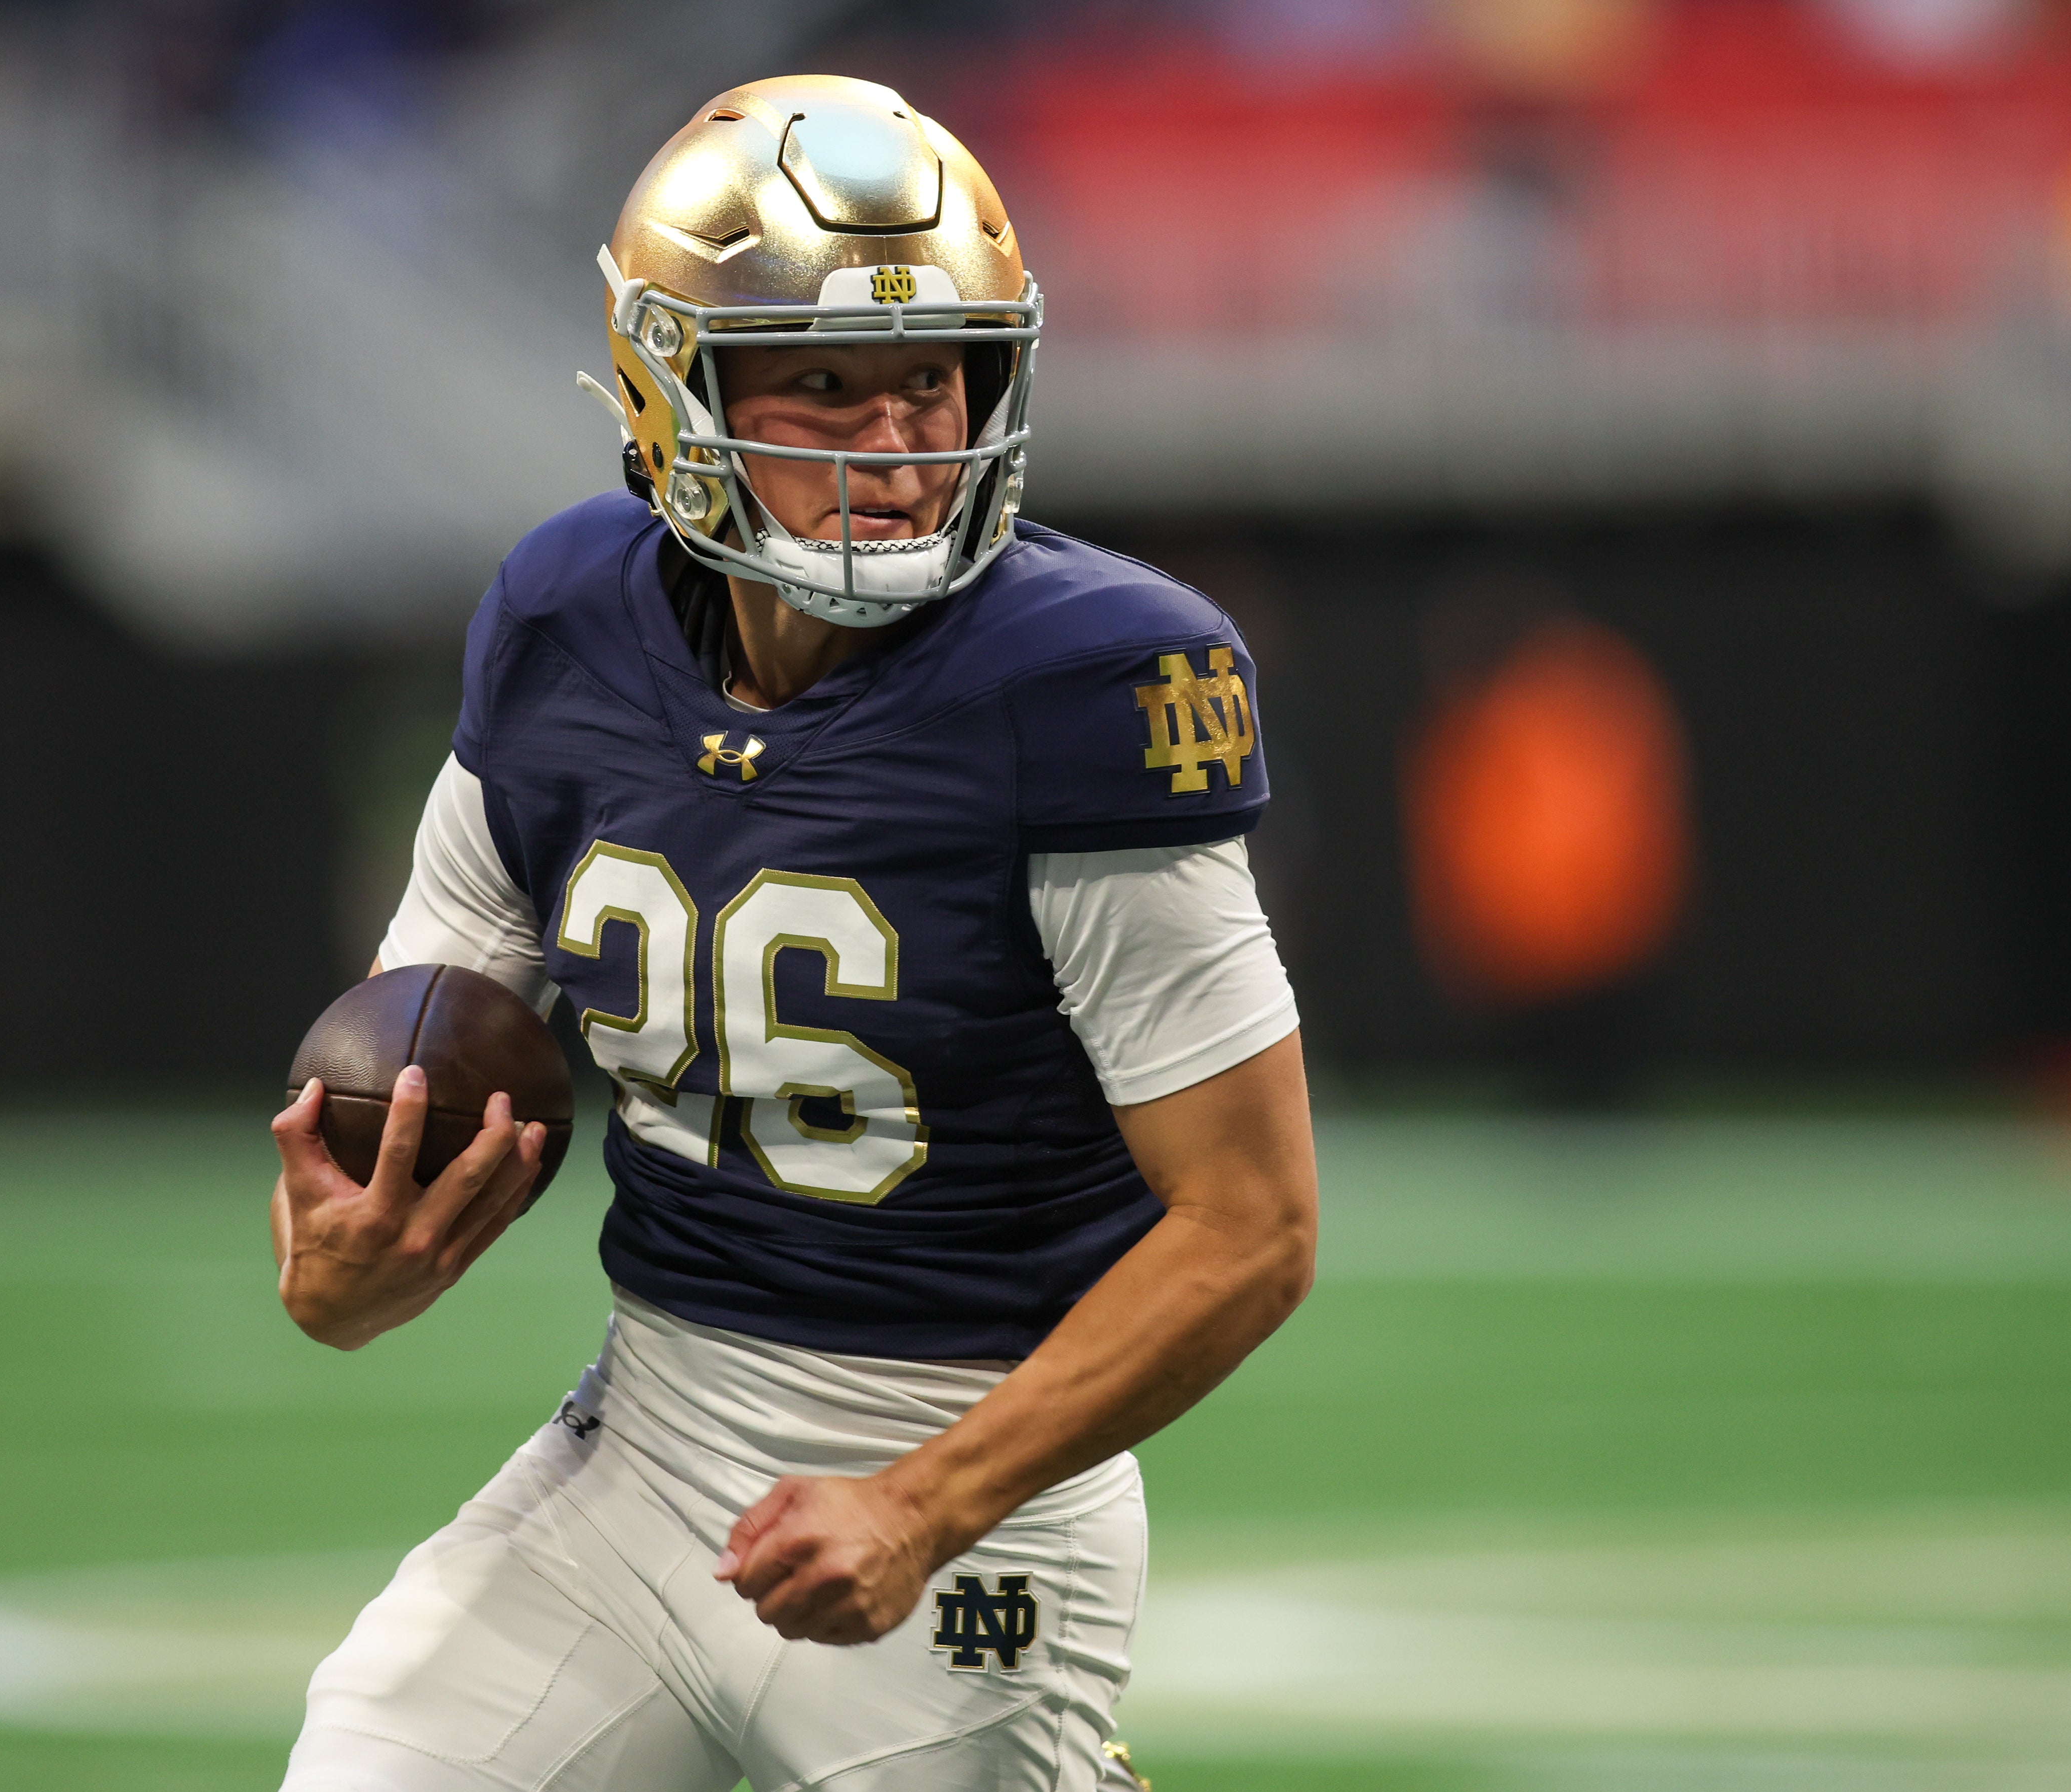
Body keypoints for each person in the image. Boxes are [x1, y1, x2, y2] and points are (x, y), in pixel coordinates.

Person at [266, 73, 1319, 1792]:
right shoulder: (562, 621)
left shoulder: (1090, 679)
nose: (901, 446)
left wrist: (923, 1499)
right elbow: (422, 1031)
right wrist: (339, 1258)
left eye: (933, 377)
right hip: (650, 1441)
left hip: (979, 1482)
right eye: (823, 385)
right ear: (669, 384)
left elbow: (1254, 1222)